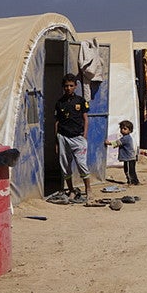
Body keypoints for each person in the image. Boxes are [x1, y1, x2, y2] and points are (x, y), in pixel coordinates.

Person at [54, 73, 90, 202]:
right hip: (63, 137)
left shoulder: (80, 101)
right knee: (65, 166)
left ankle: (88, 190)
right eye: (66, 86)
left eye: (71, 86)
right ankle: (71, 190)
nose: (68, 88)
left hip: (78, 137)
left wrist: (84, 135)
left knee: (81, 164)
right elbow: (57, 122)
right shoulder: (60, 103)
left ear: (75, 86)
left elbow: (86, 119)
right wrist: (57, 141)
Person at [108, 119, 141, 185]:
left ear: (130, 130)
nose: (122, 130)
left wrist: (108, 143)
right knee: (131, 171)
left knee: (128, 171)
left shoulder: (126, 138)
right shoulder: (126, 137)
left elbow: (117, 143)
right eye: (121, 128)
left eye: (125, 129)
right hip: (129, 158)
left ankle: (131, 181)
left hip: (129, 158)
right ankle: (134, 181)